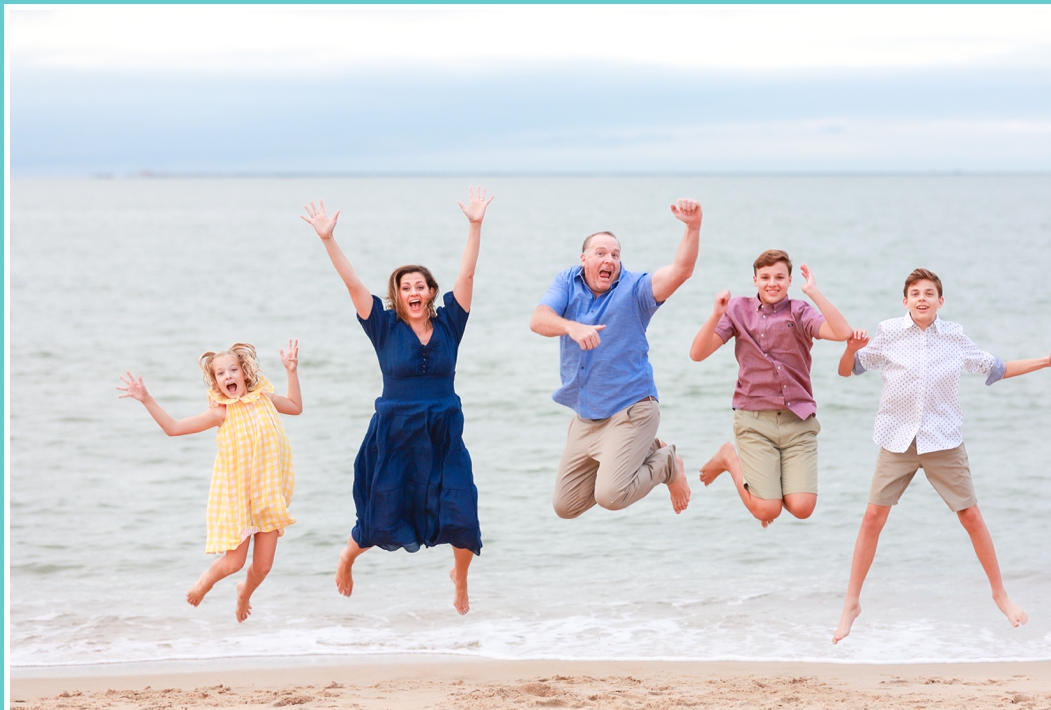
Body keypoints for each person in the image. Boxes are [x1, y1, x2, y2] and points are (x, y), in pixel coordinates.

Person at [832, 268, 1051, 643]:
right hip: (897, 439)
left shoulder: (953, 337)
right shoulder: (888, 333)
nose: (922, 298)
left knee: (970, 515)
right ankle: (851, 603)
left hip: (942, 440)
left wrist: (1047, 362)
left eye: (929, 293)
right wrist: (851, 349)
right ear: (905, 301)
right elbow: (846, 371)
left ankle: (1000, 594)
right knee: (872, 517)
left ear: (940, 301)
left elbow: (996, 369)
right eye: (915, 293)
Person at [302, 187, 492, 615]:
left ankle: (460, 577)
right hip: (396, 434)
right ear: (398, 294)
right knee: (382, 513)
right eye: (405, 286)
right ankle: (348, 555)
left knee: (462, 510)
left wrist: (475, 225)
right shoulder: (383, 327)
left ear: (429, 292)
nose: (413, 291)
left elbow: (467, 277)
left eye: (420, 285)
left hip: (443, 433)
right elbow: (352, 282)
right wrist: (328, 238)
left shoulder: (450, 325)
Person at [530, 199, 702, 519]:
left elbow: (681, 271)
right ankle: (645, 450)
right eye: (601, 253)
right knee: (565, 507)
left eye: (615, 254)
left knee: (610, 495)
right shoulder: (568, 281)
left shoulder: (636, 290)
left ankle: (666, 463)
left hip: (631, 409)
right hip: (587, 418)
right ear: (584, 260)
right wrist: (571, 327)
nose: (609, 259)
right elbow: (538, 320)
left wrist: (692, 227)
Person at [117, 340, 303, 622]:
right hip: (239, 499)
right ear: (216, 382)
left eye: (233, 370)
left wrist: (291, 371)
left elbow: (295, 407)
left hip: (267, 495)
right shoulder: (221, 413)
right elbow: (174, 428)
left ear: (244, 373)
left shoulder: (264, 398)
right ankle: (205, 581)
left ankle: (245, 593)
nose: (228, 376)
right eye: (221, 373)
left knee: (262, 568)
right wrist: (146, 398)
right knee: (234, 562)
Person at [690, 250, 854, 527]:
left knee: (802, 509)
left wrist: (813, 292)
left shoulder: (800, 312)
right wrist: (716, 314)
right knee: (767, 511)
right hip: (754, 420)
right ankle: (730, 458)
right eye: (765, 277)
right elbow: (697, 353)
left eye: (779, 277)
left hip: (798, 421)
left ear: (789, 280)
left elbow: (842, 333)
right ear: (754, 280)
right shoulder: (737, 310)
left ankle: (766, 489)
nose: (772, 283)